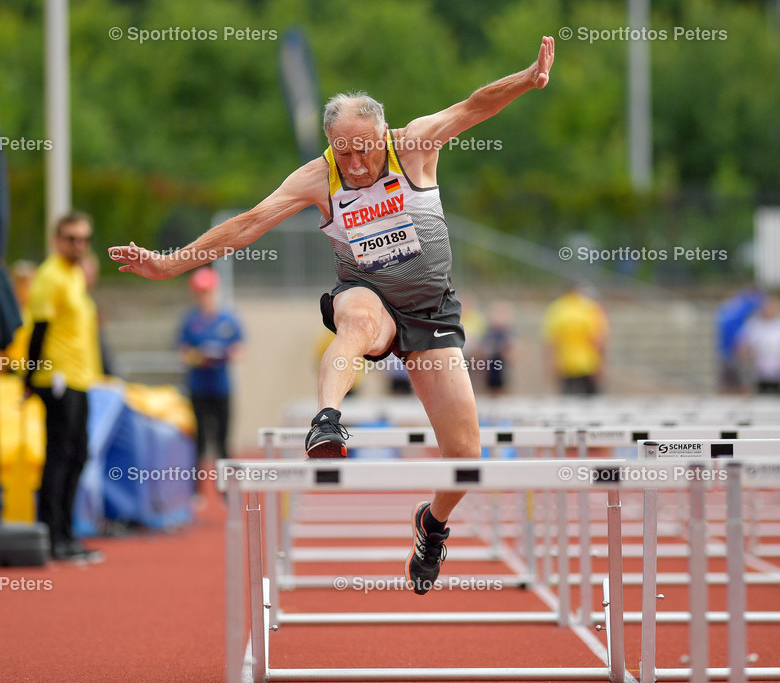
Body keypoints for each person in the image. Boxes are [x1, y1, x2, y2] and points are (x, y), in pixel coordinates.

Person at [110, 36, 556, 595]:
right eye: (343, 153)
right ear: (329, 145)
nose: (357, 163)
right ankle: (327, 419)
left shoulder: (414, 144)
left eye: (365, 149)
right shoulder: (317, 178)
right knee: (359, 324)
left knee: (466, 457)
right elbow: (248, 223)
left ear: (382, 134)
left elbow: (473, 105)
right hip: (365, 292)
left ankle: (433, 524)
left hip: (430, 310)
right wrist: (169, 264)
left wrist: (527, 79)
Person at [24, 211, 103, 563]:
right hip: (56, 378)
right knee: (60, 456)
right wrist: (29, 378)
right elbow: (38, 331)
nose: (78, 245)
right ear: (57, 240)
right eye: (71, 238)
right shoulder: (50, 276)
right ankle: (53, 535)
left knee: (77, 455)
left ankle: (66, 533)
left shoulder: (75, 276)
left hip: (78, 378)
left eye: (84, 239)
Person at [178, 266, 243, 507]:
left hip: (222, 388)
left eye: (207, 291)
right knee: (200, 442)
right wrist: (198, 357)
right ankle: (196, 492)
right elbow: (183, 353)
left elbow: (240, 350)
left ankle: (225, 490)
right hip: (198, 388)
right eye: (200, 292)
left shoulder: (228, 319)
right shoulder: (190, 320)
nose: (204, 296)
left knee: (223, 441)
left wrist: (223, 354)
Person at [542, 283, 609, 395]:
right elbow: (598, 341)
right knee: (592, 405)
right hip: (588, 364)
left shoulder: (556, 309)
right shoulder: (591, 308)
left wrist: (550, 366)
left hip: (566, 365)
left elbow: (551, 342)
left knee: (568, 404)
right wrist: (600, 365)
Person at [737, 295, 780, 395]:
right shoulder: (753, 324)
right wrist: (748, 363)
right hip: (758, 372)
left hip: (779, 371)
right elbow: (743, 345)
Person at [715, 287, 763, 394]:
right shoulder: (728, 312)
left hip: (735, 351)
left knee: (740, 382)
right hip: (729, 351)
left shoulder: (736, 311)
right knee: (730, 383)